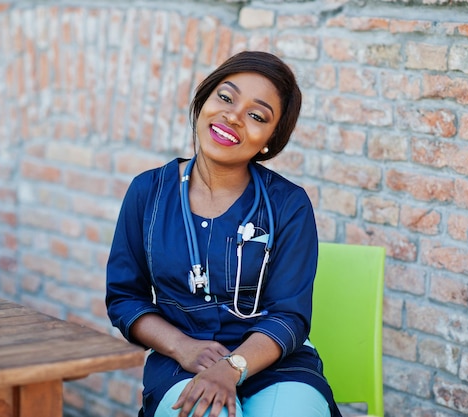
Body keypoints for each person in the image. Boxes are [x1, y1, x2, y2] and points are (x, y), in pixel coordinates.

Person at [106, 51, 342, 417]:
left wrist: (233, 367)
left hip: (276, 367)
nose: (232, 116)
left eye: (256, 115)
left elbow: (289, 315)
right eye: (226, 98)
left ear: (270, 138)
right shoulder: (148, 193)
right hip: (181, 364)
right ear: (203, 102)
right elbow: (125, 298)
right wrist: (183, 346)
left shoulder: (288, 205)